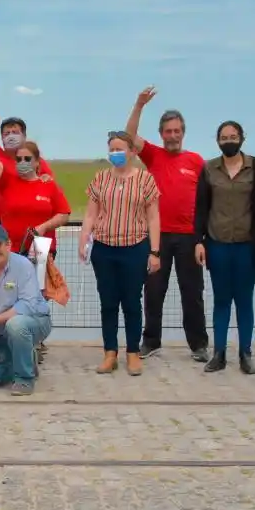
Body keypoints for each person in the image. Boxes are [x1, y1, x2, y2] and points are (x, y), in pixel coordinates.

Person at [124, 86, 209, 362]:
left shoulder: (196, 161)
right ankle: (151, 340)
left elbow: (207, 200)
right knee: (153, 290)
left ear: (183, 132)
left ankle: (198, 344)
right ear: (161, 134)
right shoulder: (153, 155)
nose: (172, 136)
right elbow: (128, 138)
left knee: (192, 293)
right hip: (156, 237)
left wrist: (201, 239)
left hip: (188, 238)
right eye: (168, 131)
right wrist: (139, 106)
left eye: (177, 131)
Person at [79, 131, 161, 376]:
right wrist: (84, 237)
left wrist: (155, 251)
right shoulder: (101, 178)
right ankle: (109, 352)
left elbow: (153, 217)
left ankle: (133, 353)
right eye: (111, 149)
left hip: (135, 247)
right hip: (104, 249)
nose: (115, 154)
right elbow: (91, 213)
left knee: (132, 302)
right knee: (108, 302)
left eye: (120, 149)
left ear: (133, 152)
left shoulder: (145, 180)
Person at [193, 121, 255, 375]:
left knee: (244, 300)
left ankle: (245, 353)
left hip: (247, 245)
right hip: (217, 244)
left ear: (242, 138)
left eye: (233, 136)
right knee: (221, 300)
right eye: (224, 137)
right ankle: (219, 354)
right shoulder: (209, 169)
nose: (229, 141)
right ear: (218, 141)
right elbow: (201, 208)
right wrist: (199, 241)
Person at [0, 222, 52, 395]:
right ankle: (25, 358)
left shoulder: (23, 265)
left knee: (16, 325)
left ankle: (24, 379)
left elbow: (26, 305)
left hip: (34, 321)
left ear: (8, 244)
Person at [0, 129, 71, 252]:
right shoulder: (7, 182)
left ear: (37, 162)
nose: (22, 162)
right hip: (13, 250)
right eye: (19, 159)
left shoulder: (48, 185)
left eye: (27, 159)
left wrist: (44, 227)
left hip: (42, 250)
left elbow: (64, 214)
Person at [0, 115, 54, 222]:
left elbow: (52, 196)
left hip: (31, 219)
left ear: (24, 136)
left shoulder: (38, 162)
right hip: (0, 222)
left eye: (15, 132)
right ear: (2, 138)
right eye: (6, 133)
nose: (11, 136)